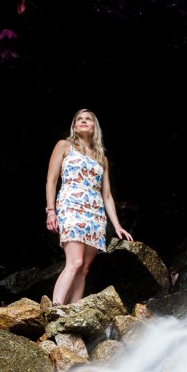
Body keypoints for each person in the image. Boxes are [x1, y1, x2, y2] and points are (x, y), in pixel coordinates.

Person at [44, 109, 132, 305]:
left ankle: (73, 314)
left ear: (94, 127)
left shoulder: (102, 158)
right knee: (74, 263)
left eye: (88, 119)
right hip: (71, 207)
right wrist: (51, 211)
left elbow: (107, 195)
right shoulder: (64, 146)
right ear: (74, 126)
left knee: (83, 268)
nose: (84, 121)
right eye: (79, 119)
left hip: (95, 214)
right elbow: (51, 180)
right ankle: (53, 310)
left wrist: (116, 226)